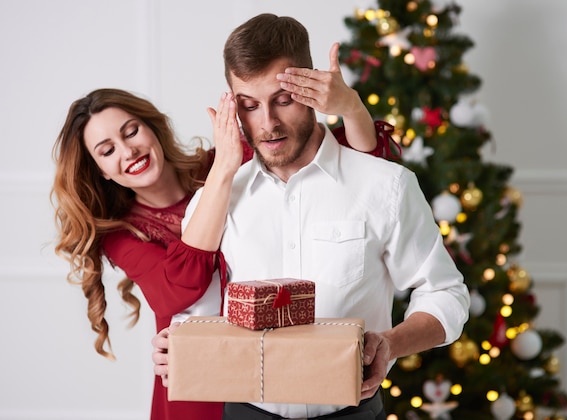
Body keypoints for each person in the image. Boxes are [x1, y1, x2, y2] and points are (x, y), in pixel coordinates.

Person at [152, 13, 470, 420]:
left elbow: (445, 294)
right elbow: (199, 306)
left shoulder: (385, 185)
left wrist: (390, 343)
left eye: (283, 100)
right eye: (249, 106)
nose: (267, 124)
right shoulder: (216, 199)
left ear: (312, 87)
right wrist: (176, 343)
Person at [50, 52, 396, 420]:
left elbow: (358, 166)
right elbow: (183, 287)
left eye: (131, 131)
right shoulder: (121, 234)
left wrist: (352, 107)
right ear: (100, 170)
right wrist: (224, 171)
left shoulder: (223, 159)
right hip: (201, 383)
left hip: (279, 374)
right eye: (107, 151)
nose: (128, 150)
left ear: (152, 127)